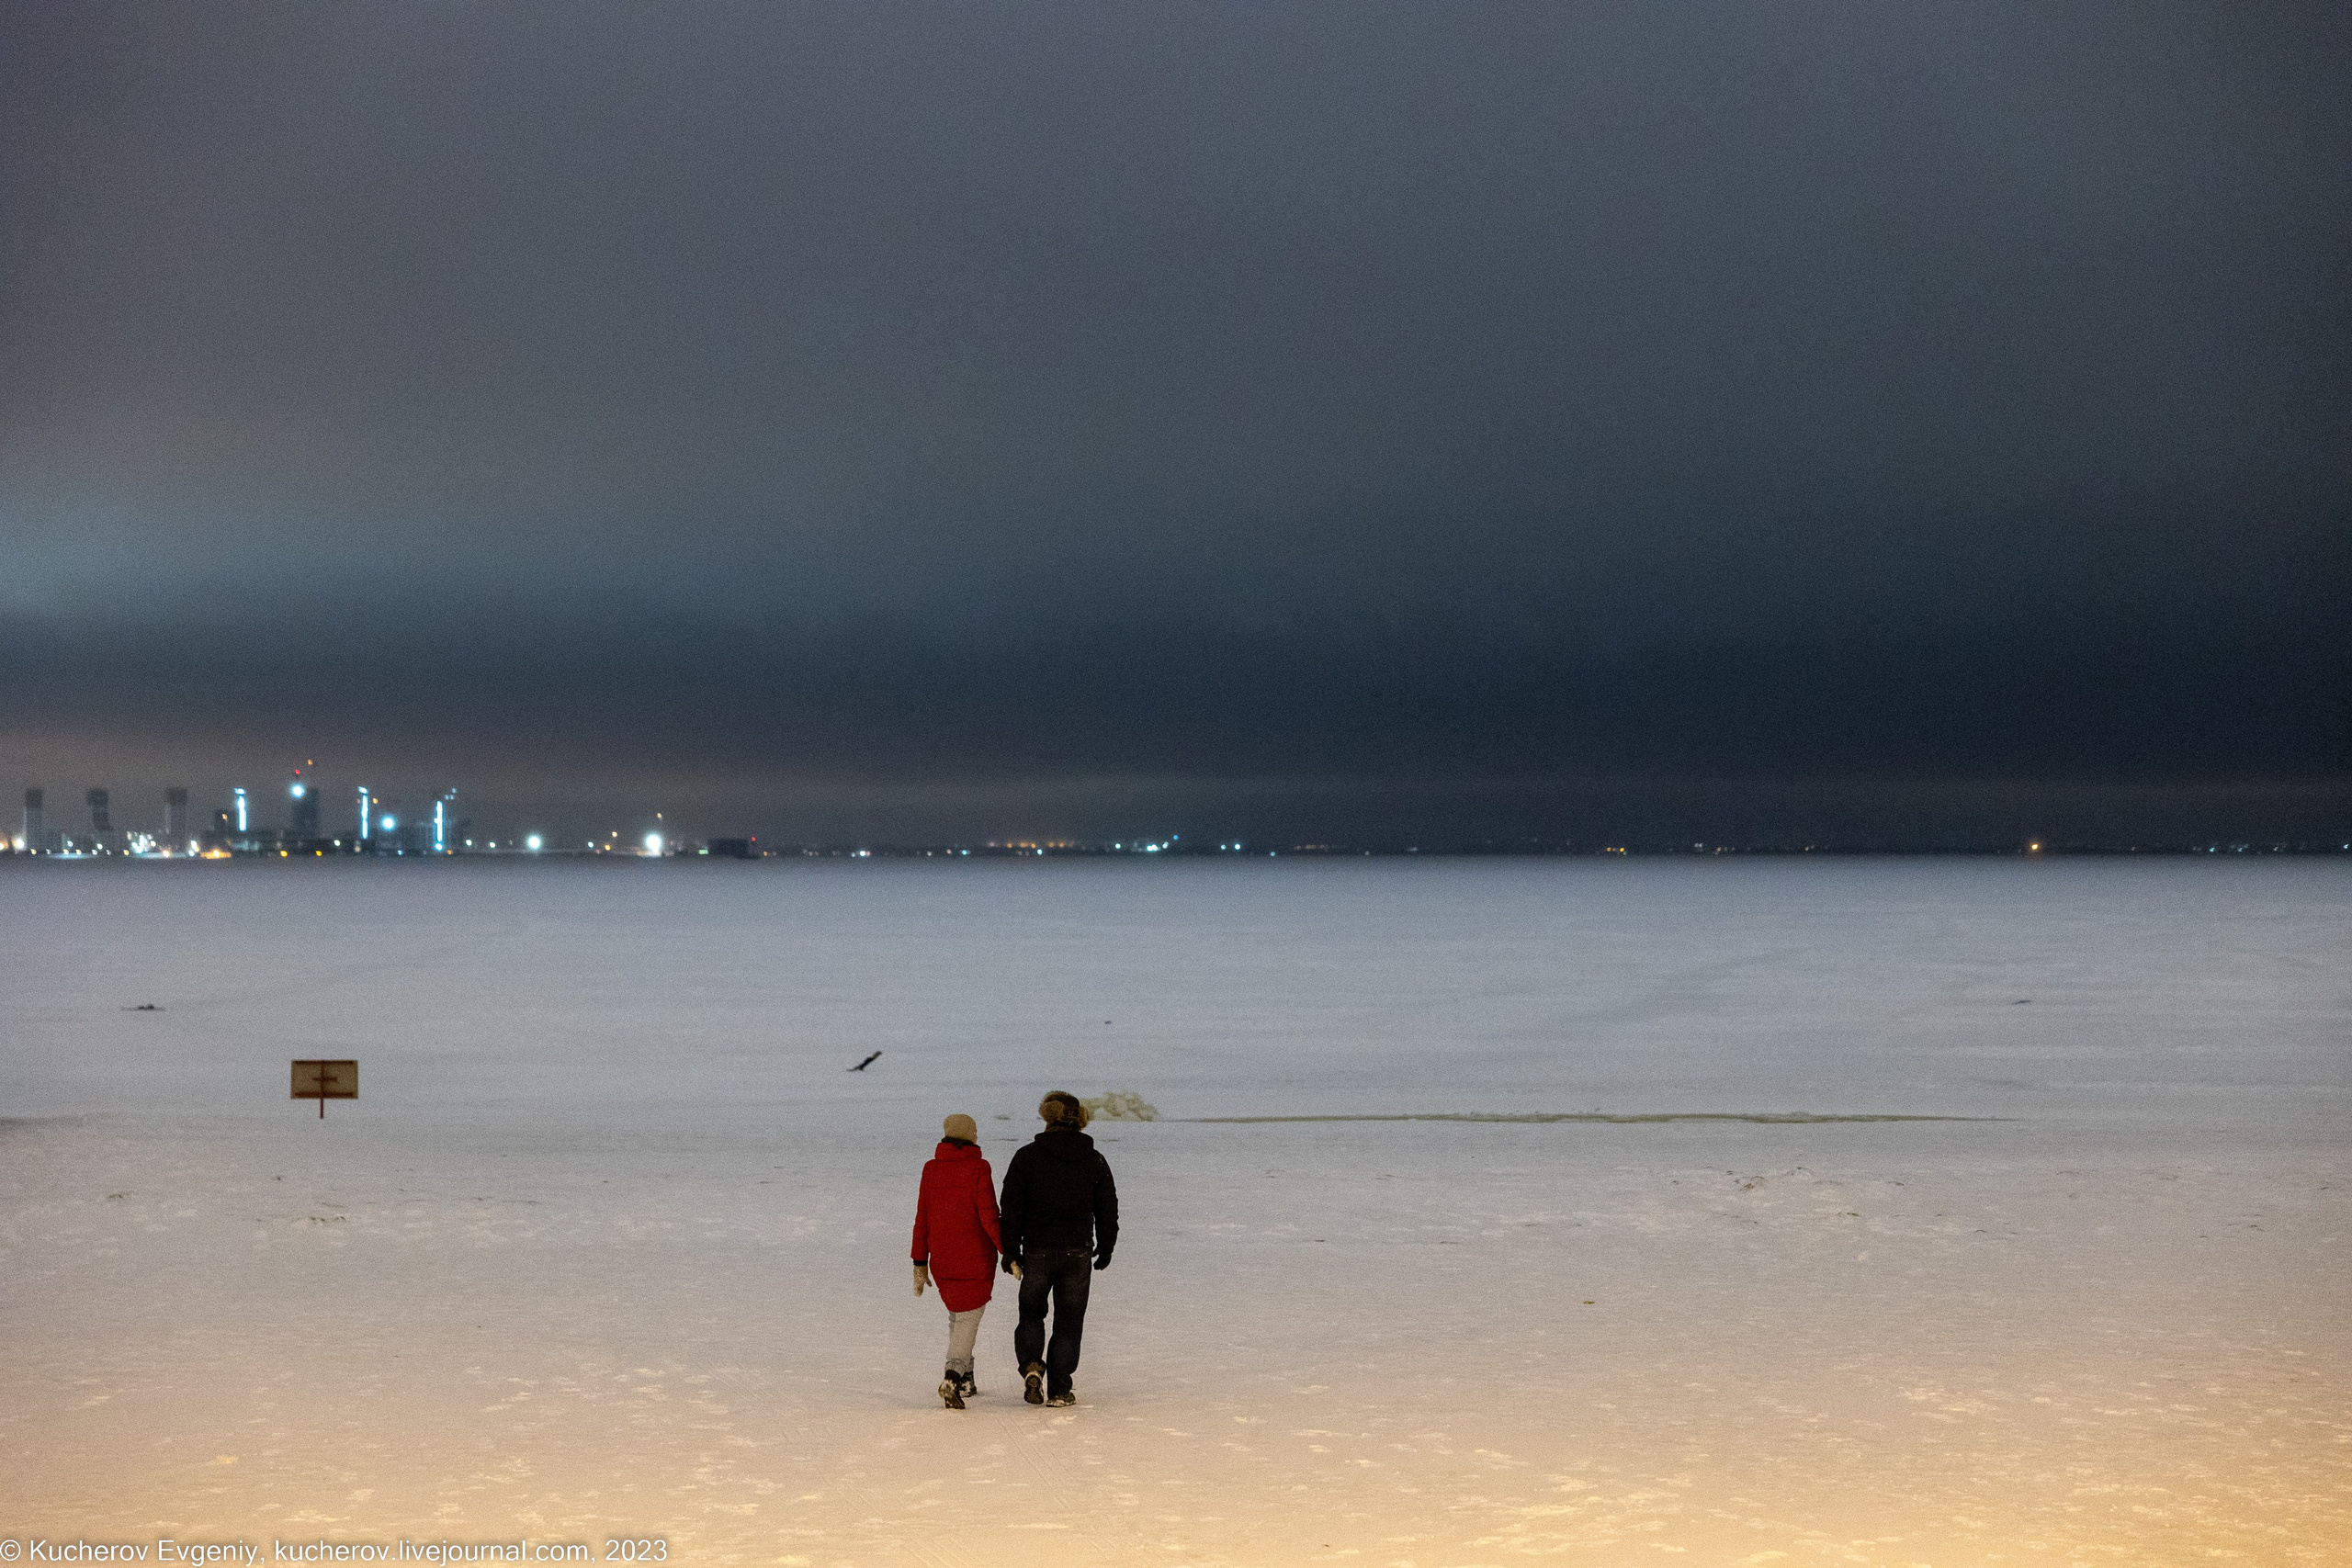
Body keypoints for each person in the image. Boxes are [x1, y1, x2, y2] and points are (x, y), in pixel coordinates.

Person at [997, 1090, 1119, 1407]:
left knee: (1031, 1314)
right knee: (1069, 1321)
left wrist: (1010, 1249)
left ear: (1047, 1116)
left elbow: (1011, 1207)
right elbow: (1107, 1207)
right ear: (1080, 1120)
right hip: (1077, 1252)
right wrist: (1106, 1246)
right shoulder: (1094, 1159)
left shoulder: (1027, 1157)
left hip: (1037, 1250)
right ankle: (1060, 1390)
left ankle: (1032, 1367)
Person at [910, 1112, 1002, 1409]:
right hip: (975, 1261)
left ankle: (966, 1378)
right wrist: (1008, 1250)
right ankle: (952, 1376)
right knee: (967, 1318)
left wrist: (919, 1261)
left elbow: (921, 1218)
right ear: (971, 1136)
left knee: (958, 1316)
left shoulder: (930, 1169)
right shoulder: (979, 1168)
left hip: (943, 1261)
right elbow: (990, 1217)